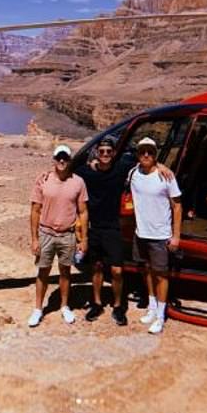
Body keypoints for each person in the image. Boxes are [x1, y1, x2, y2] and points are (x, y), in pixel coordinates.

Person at [75, 136, 175, 326]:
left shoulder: (121, 169)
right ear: (97, 153)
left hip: (113, 228)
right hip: (94, 227)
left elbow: (144, 159)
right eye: (102, 151)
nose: (105, 155)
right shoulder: (86, 172)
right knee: (96, 267)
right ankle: (96, 304)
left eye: (108, 152)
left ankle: (118, 306)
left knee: (117, 271)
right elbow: (69, 169)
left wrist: (162, 166)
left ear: (114, 153)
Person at [28, 144, 88, 327]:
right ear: (54, 159)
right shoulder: (43, 180)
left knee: (65, 271)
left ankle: (64, 306)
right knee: (43, 271)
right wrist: (35, 239)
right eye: (59, 157)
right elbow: (35, 210)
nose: (62, 161)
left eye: (65, 157)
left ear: (70, 160)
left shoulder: (78, 182)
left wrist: (83, 239)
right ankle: (38, 309)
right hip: (46, 233)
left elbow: (83, 212)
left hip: (67, 235)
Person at [130, 137, 182, 334]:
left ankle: (161, 315)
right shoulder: (133, 173)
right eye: (142, 151)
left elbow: (177, 206)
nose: (146, 155)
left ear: (155, 154)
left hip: (160, 235)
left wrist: (175, 236)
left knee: (161, 275)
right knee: (146, 270)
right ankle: (152, 306)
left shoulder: (166, 176)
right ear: (138, 154)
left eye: (150, 152)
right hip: (141, 233)